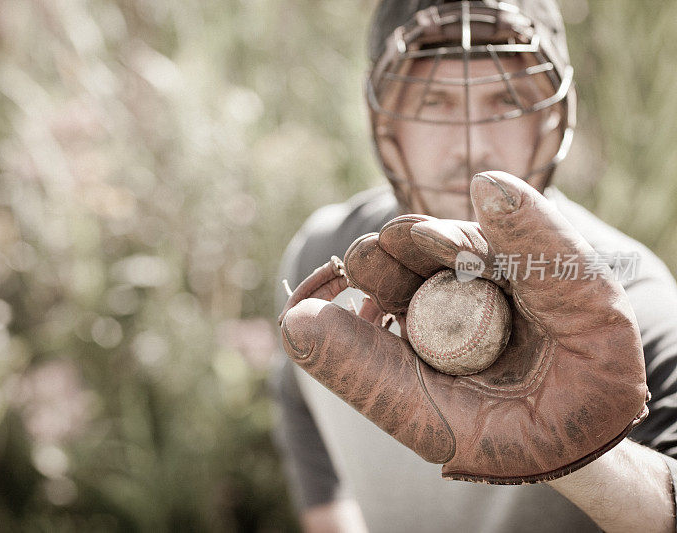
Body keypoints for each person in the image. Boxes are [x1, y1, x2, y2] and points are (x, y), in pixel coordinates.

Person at [271, 1, 677, 532]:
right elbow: (305, 425)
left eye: (505, 101)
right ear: (385, 124)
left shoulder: (626, 300)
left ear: (551, 120)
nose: (470, 144)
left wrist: (584, 456)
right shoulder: (324, 253)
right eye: (434, 102)